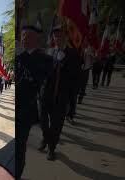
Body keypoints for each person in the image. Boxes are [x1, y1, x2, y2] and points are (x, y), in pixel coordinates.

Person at [39, 24, 82, 160]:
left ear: (66, 37)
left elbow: (76, 77)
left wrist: (72, 99)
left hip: (62, 95)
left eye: (61, 35)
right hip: (46, 94)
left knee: (57, 124)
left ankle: (52, 148)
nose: (58, 38)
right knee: (43, 120)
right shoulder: (49, 52)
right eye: (56, 35)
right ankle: (46, 138)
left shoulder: (73, 54)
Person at [17, 24, 53, 178]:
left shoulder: (45, 59)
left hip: (27, 109)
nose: (24, 39)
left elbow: (40, 79)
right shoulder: (18, 57)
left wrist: (22, 57)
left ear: (37, 39)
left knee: (19, 146)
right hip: (15, 107)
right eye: (23, 36)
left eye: (28, 36)